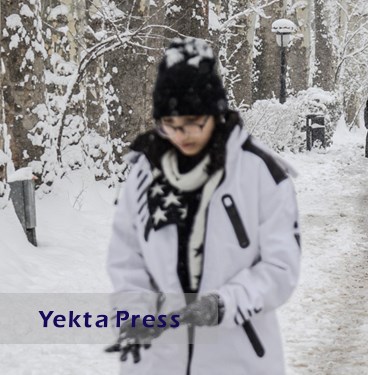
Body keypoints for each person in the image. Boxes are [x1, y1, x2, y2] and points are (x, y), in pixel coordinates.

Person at [105, 37, 302, 374]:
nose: (184, 135)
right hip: (158, 360)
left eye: (195, 121)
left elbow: (281, 268)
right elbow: (127, 257)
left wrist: (223, 304)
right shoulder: (144, 171)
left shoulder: (260, 171)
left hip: (238, 357)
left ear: (216, 110)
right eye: (172, 124)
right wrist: (135, 313)